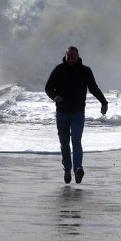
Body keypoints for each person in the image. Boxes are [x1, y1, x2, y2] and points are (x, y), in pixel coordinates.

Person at [45, 46, 109, 184]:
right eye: (69, 57)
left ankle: (78, 169)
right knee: (64, 144)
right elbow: (48, 87)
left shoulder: (85, 71)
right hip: (62, 113)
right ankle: (67, 170)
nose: (72, 60)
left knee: (76, 141)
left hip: (78, 113)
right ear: (65, 56)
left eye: (74, 57)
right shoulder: (58, 70)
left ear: (78, 56)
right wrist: (54, 96)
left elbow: (93, 88)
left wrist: (104, 102)